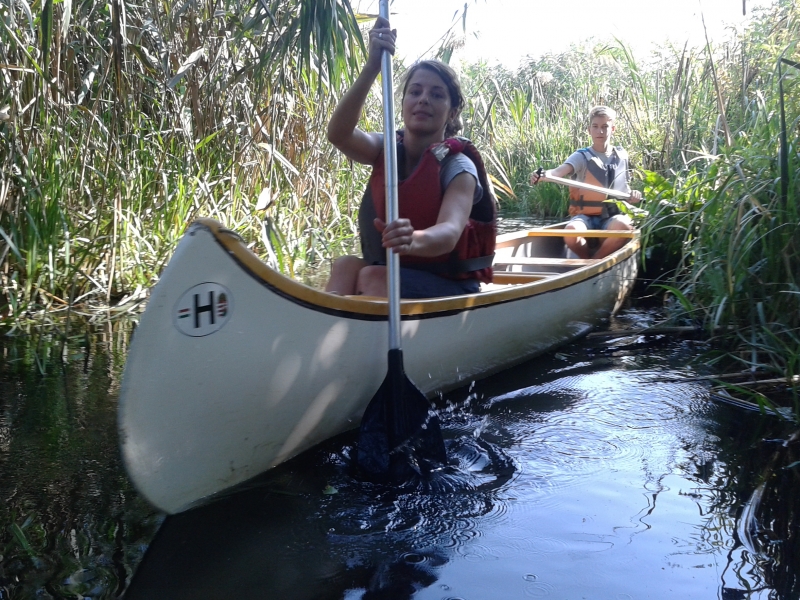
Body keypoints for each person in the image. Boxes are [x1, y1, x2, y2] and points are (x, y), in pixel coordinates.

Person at [324, 17, 496, 299]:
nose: (423, 99)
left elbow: (449, 232)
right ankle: (330, 324)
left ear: (452, 113)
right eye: (415, 92)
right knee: (345, 265)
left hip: (448, 282)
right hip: (397, 272)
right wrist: (371, 67)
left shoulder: (459, 167)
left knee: (373, 275)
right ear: (403, 103)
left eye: (437, 95)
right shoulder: (385, 147)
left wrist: (413, 239)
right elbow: (339, 135)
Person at [530, 106, 642, 259]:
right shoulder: (581, 156)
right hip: (585, 217)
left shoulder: (621, 156)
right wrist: (543, 175)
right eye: (595, 126)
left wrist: (633, 195)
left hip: (613, 216)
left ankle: (595, 261)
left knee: (624, 227)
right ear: (589, 130)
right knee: (570, 231)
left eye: (605, 126)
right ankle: (587, 260)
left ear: (613, 129)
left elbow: (625, 189)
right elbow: (557, 172)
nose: (600, 131)